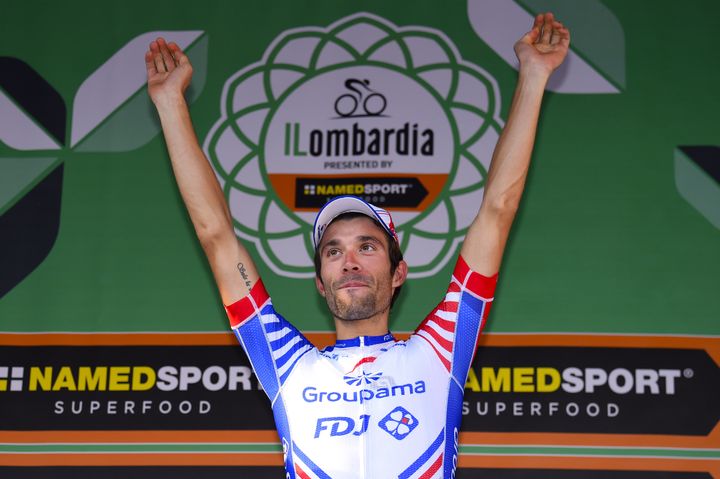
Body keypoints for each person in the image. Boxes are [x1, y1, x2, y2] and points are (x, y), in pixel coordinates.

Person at [146, 12, 569, 478]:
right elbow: (216, 235)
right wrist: (170, 105)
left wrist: (532, 77)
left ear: (398, 272)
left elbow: (498, 208)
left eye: (367, 247)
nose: (348, 260)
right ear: (320, 282)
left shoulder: (440, 350)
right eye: (333, 251)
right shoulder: (287, 364)